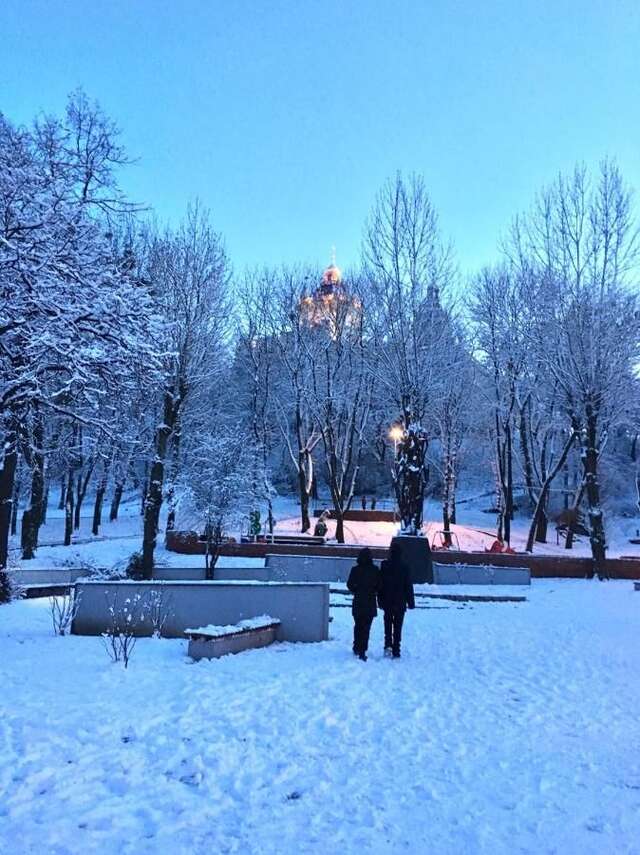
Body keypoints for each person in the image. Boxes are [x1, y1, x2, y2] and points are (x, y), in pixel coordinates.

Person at [378, 540, 415, 658]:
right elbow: (408, 586)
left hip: (387, 601)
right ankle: (396, 649)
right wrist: (411, 602)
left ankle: (387, 645)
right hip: (400, 602)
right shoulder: (405, 567)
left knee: (388, 624)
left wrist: (379, 600)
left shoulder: (384, 565)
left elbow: (380, 584)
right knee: (398, 626)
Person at [347, 547, 380, 661]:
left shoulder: (355, 570)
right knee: (366, 627)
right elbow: (378, 586)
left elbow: (349, 584)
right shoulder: (375, 570)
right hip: (370, 602)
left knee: (358, 625)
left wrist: (356, 590)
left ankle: (356, 646)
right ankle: (363, 648)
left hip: (358, 601)